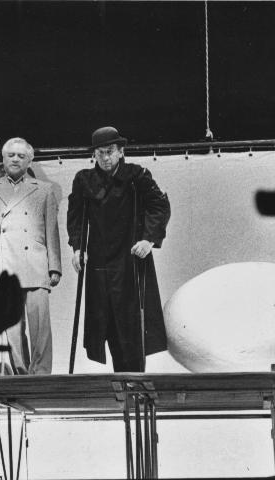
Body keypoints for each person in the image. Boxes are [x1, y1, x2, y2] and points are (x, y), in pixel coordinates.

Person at [67, 126, 171, 372]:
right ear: (94, 155)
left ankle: (135, 378)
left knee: (132, 322)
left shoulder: (136, 175)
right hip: (99, 259)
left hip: (130, 256)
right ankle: (121, 378)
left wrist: (148, 240)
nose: (105, 157)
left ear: (121, 151)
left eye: (110, 151)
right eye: (100, 153)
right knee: (108, 319)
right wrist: (78, 248)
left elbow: (159, 206)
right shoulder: (84, 180)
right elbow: (76, 215)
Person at [0, 137, 62, 375]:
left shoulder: (44, 189)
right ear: (3, 159)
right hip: (5, 262)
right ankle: (20, 373)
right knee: (12, 327)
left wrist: (54, 266)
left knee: (40, 326)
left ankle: (41, 374)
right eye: (11, 155)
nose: (15, 159)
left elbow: (52, 229)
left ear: (29, 160)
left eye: (21, 156)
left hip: (35, 262)